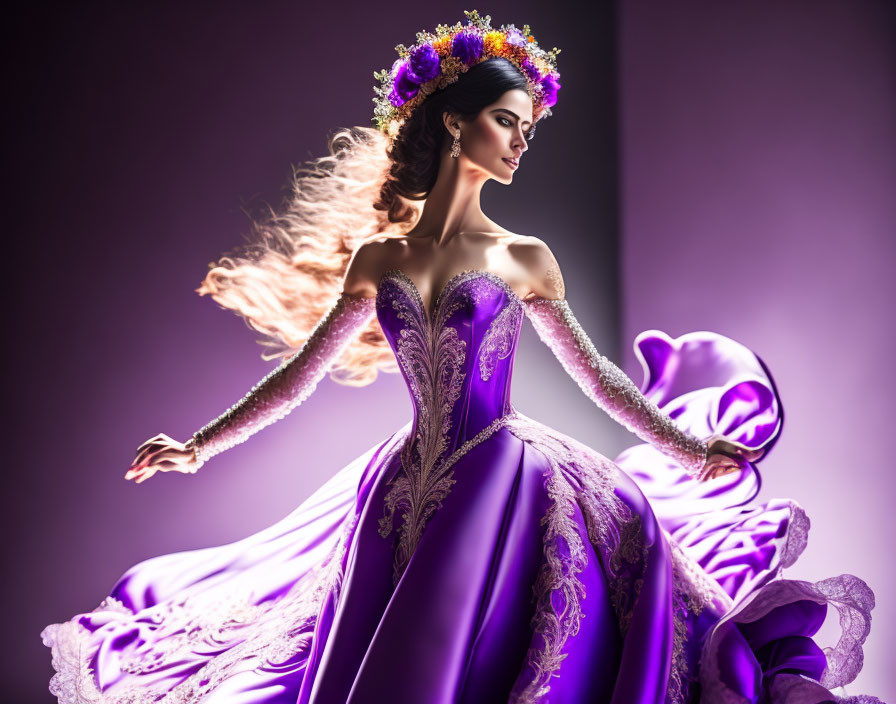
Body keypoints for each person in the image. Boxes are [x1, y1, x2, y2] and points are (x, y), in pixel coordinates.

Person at [41, 10, 883, 704]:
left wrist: (690, 449)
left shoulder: (523, 258)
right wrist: (200, 445)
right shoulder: (381, 260)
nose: (520, 142)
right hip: (405, 483)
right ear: (455, 121)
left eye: (527, 128)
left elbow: (598, 379)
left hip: (504, 474)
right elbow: (299, 377)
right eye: (506, 122)